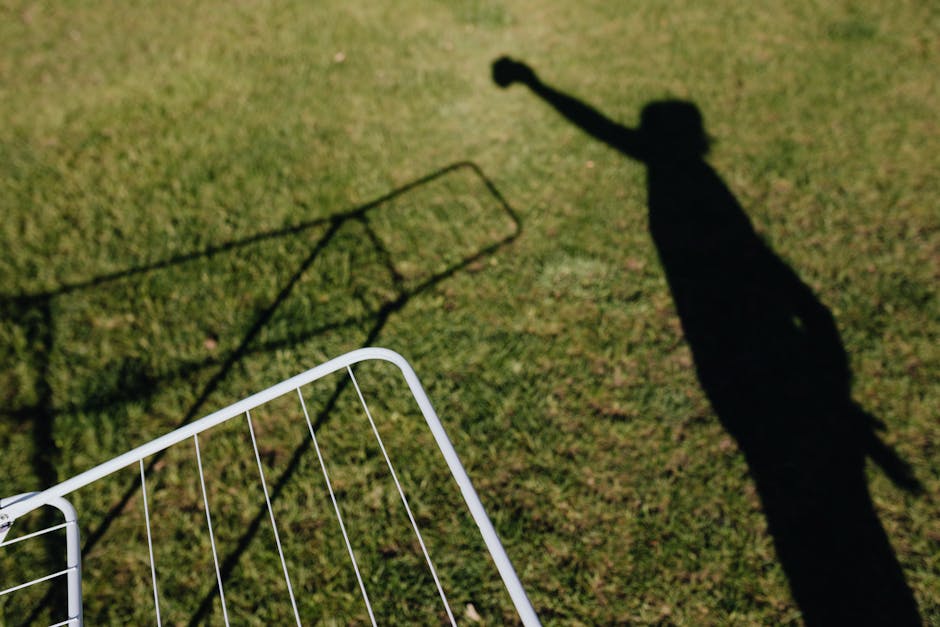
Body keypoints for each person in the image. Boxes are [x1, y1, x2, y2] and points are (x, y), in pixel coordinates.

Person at [493, 56, 921, 625]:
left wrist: (537, 85)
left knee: (803, 499)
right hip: (751, 351)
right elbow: (763, 262)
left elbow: (759, 261)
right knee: (812, 499)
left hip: (739, 353)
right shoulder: (679, 171)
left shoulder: (676, 173)